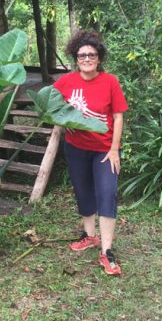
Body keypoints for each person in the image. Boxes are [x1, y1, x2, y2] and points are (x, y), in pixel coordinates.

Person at [53, 30, 128, 276]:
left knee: (107, 193)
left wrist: (115, 148)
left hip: (104, 151)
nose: (87, 58)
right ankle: (90, 235)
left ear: (99, 58)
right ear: (75, 58)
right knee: (83, 191)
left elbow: (118, 116)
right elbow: (50, 103)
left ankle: (107, 251)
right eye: (82, 55)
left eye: (92, 55)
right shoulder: (65, 82)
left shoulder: (110, 82)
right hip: (75, 148)